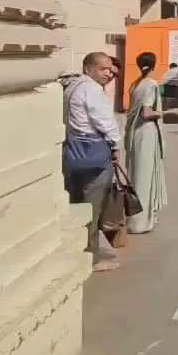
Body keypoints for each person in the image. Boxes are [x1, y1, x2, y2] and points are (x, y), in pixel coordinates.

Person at [62, 52, 124, 272]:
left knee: (74, 201)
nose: (108, 73)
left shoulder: (72, 86)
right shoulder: (92, 90)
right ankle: (91, 257)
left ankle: (72, 248)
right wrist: (116, 146)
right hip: (93, 153)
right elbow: (105, 122)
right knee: (92, 206)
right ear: (88, 68)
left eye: (110, 69)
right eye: (103, 69)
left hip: (72, 151)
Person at [124, 52, 178, 234]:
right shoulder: (151, 85)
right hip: (146, 133)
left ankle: (138, 219)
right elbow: (147, 113)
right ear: (154, 65)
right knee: (144, 177)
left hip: (134, 134)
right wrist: (169, 112)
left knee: (136, 174)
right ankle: (140, 222)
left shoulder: (136, 84)